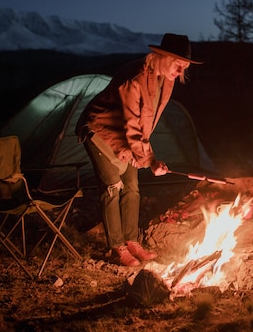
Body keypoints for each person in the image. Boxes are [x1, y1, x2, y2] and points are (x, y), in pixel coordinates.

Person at [76, 33, 202, 266]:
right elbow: (133, 123)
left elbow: (146, 122)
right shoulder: (135, 78)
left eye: (185, 66)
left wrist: (147, 156)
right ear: (162, 57)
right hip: (101, 128)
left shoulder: (167, 80)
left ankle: (131, 241)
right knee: (113, 187)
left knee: (132, 187)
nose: (181, 69)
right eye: (178, 64)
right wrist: (148, 159)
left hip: (125, 132)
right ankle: (116, 247)